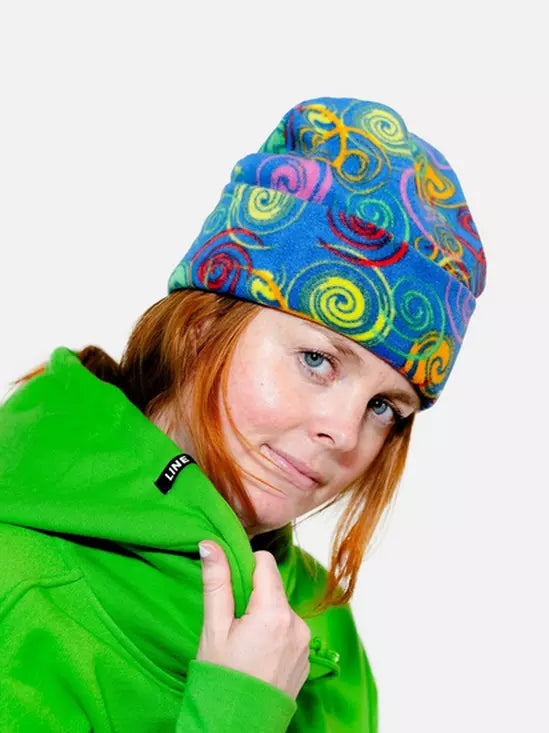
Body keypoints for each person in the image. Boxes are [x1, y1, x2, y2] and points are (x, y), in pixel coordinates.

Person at [0, 96, 486, 731]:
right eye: (317, 360)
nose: (345, 434)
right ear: (200, 330)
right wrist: (238, 709)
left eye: (384, 407)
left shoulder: (317, 619)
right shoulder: (21, 586)